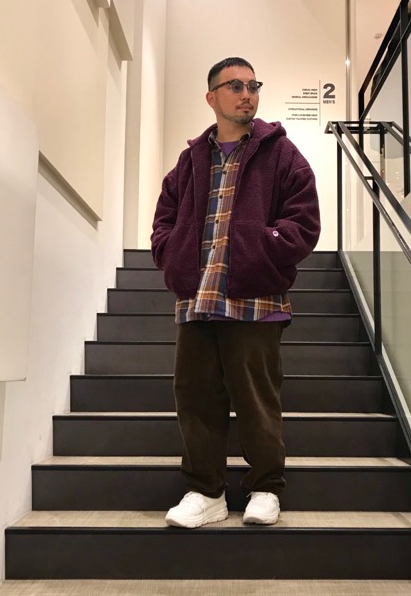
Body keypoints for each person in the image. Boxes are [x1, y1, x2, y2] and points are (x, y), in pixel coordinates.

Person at [151, 56, 320, 529]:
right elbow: (164, 220)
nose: (247, 94)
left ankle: (265, 487)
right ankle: (207, 492)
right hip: (198, 300)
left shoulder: (281, 154)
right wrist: (171, 253)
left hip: (255, 300)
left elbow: (305, 221)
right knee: (195, 400)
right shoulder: (190, 160)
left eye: (253, 85)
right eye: (235, 86)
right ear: (212, 97)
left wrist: (264, 248)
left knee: (256, 401)